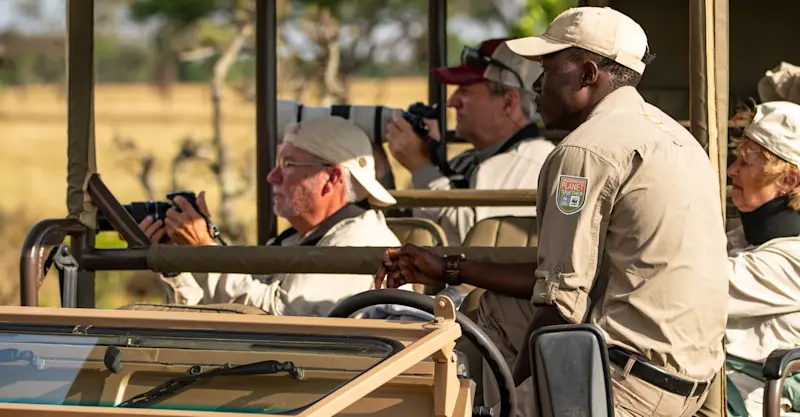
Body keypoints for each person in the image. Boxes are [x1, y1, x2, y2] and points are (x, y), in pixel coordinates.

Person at [375, 6, 730, 417]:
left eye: (548, 69)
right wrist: (450, 268)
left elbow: (560, 307)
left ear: (588, 74)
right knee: (499, 308)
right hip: (690, 379)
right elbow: (563, 277)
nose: (537, 85)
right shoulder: (674, 136)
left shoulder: (584, 150)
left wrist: (513, 403)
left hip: (621, 385)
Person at [140, 115, 402, 317]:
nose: (272, 177)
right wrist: (180, 259)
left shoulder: (359, 241)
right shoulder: (298, 240)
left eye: (287, 165)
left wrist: (205, 252)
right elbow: (220, 310)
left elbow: (282, 317)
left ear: (332, 178)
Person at [384, 37, 555, 245]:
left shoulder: (534, 162)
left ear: (509, 102)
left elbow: (471, 244)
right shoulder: (468, 160)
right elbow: (407, 227)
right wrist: (381, 168)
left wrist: (422, 168)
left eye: (465, 90)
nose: (451, 101)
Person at [723, 101, 800, 417]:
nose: (732, 170)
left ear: (788, 181)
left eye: (745, 162)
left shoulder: (793, 258)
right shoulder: (745, 238)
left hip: (748, 400)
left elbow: (695, 288)